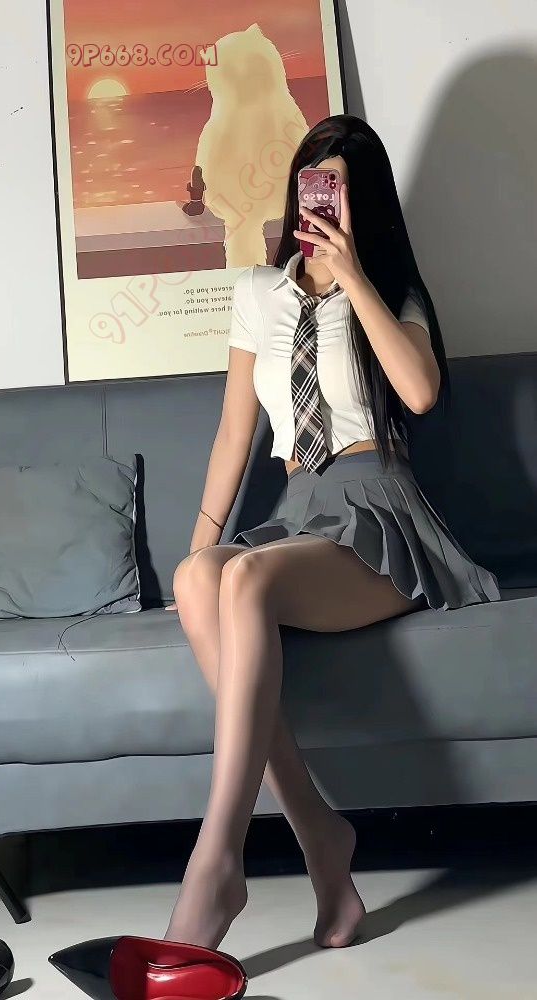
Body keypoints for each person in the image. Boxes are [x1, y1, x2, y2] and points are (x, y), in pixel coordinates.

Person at [162, 114, 501, 953]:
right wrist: (198, 543)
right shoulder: (258, 293)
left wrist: (352, 275)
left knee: (244, 580)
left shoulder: (392, 291)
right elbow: (234, 434)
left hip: (379, 511)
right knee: (200, 578)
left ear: (363, 201)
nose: (321, 196)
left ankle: (217, 861)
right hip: (297, 509)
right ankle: (320, 837)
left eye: (338, 184)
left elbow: (418, 394)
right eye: (312, 178)